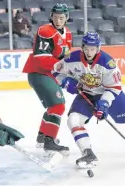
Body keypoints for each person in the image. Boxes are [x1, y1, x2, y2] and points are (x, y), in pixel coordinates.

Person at [53, 31, 125, 168]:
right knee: (73, 120)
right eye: (86, 48)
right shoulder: (71, 59)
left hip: (108, 94)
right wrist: (66, 82)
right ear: (82, 47)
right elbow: (55, 72)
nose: (89, 52)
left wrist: (104, 104)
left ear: (98, 48)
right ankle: (88, 153)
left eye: (92, 49)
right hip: (86, 94)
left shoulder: (107, 63)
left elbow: (114, 87)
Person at [22, 3, 72, 156]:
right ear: (51, 16)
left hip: (49, 74)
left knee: (54, 107)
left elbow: (65, 56)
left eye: (61, 18)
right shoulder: (45, 31)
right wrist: (61, 68)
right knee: (58, 106)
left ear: (66, 18)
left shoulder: (68, 34)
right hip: (39, 73)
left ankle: (43, 136)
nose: (58, 21)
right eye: (55, 17)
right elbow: (41, 58)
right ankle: (50, 142)